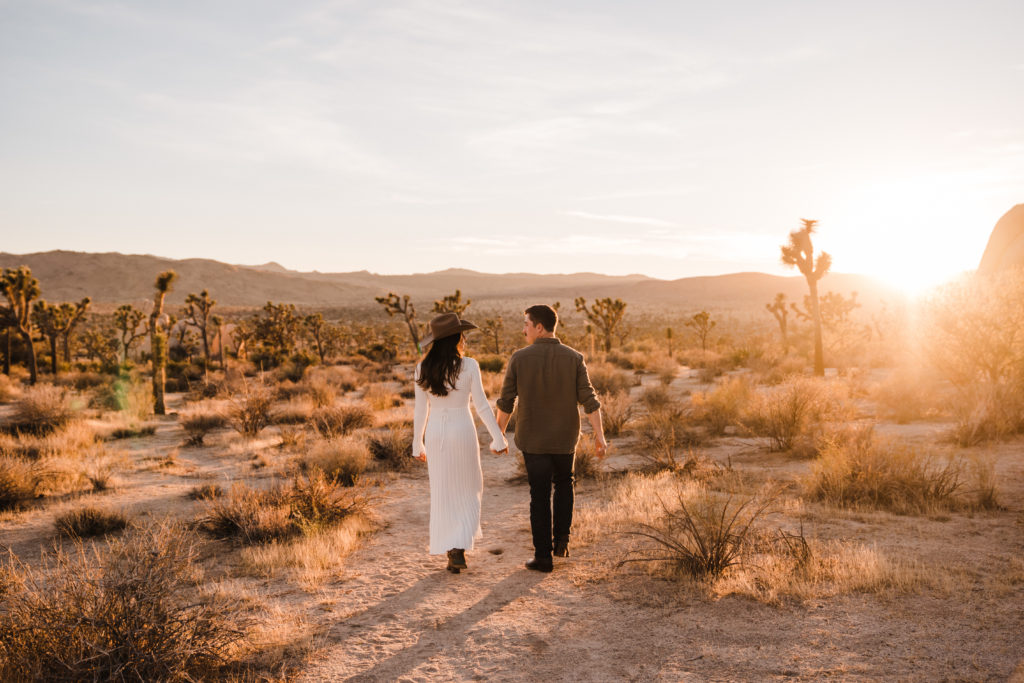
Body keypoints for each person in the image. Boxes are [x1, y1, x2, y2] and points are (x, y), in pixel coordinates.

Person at [496, 304, 607, 573]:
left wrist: (498, 434)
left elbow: (506, 402)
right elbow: (590, 401)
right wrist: (600, 437)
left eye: (526, 324)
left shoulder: (519, 359)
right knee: (565, 485)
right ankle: (562, 543)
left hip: (533, 439)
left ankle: (543, 557)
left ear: (539, 328)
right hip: (564, 438)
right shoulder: (574, 357)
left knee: (540, 495)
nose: (523, 329)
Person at [413, 312, 508, 574]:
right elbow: (481, 406)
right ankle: (459, 547)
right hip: (463, 430)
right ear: (457, 338)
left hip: (435, 435)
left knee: (444, 491)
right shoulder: (469, 365)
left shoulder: (422, 368)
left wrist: (416, 444)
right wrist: (498, 437)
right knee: (469, 487)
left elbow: (420, 411)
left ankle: (452, 550)